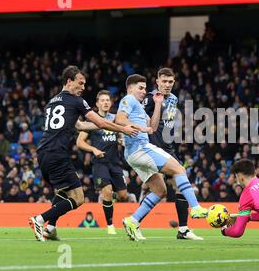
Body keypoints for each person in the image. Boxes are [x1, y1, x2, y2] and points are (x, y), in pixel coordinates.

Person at [28, 65, 140, 242]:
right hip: (57, 153)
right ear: (69, 81)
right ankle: (39, 220)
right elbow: (101, 123)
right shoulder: (76, 101)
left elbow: (80, 126)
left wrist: (107, 126)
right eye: (80, 83)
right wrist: (122, 129)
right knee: (79, 198)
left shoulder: (52, 101)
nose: (83, 87)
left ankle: (50, 227)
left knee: (64, 191)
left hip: (43, 153)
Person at [115, 74, 208, 241]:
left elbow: (152, 127)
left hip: (137, 152)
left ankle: (133, 221)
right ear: (130, 88)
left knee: (160, 190)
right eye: (140, 88)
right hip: (143, 148)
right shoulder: (129, 99)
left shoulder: (147, 104)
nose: (144, 91)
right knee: (179, 170)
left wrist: (158, 105)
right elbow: (120, 118)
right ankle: (195, 207)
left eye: (144, 88)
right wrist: (132, 129)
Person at [143, 67, 202, 240]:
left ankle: (183, 229)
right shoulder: (149, 99)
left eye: (170, 82)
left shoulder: (174, 99)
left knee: (179, 186)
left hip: (168, 148)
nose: (167, 85)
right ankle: (134, 221)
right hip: (153, 148)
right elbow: (140, 119)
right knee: (160, 189)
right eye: (164, 81)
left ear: (174, 82)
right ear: (158, 81)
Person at [76, 90, 132, 235]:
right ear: (97, 104)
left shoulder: (115, 119)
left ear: (111, 103)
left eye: (108, 100)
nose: (106, 102)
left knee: (123, 195)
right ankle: (110, 225)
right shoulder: (91, 121)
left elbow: (120, 134)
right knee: (107, 191)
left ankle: (109, 199)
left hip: (115, 163)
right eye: (103, 100)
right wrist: (93, 149)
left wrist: (120, 139)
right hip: (100, 163)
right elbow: (79, 142)